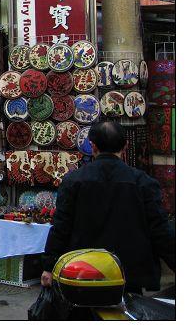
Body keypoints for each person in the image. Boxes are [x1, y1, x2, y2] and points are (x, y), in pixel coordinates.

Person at [41, 121, 175, 294]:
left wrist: (49, 266)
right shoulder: (143, 183)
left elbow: (61, 227)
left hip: (83, 270)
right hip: (127, 273)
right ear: (125, 146)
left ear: (92, 146)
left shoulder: (74, 181)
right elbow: (160, 231)